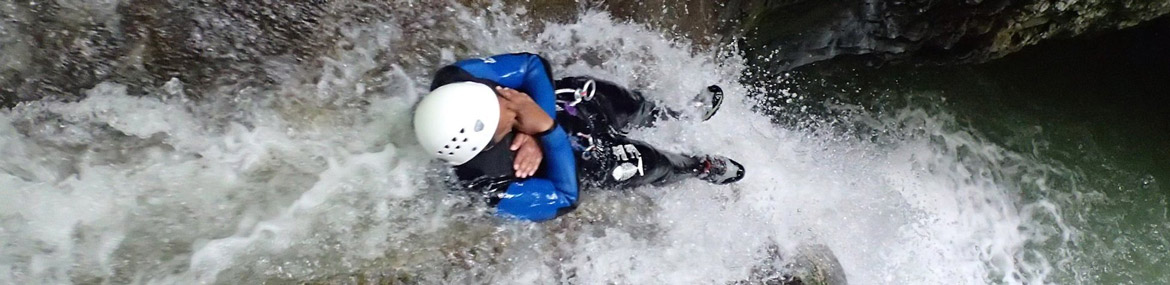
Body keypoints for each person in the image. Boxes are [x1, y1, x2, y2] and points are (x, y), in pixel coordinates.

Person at [413, 53, 744, 222]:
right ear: (488, 143)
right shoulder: (490, 187)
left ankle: (674, 114)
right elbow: (565, 199)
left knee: (626, 103)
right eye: (509, 112)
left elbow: (532, 65)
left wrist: (533, 124)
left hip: (568, 104)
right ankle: (698, 167)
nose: (512, 97)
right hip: (580, 159)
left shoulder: (455, 80)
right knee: (656, 164)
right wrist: (545, 132)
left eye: (499, 93)